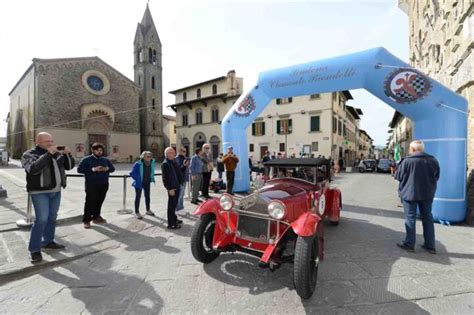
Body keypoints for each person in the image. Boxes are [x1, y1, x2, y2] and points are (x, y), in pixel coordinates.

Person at [21, 132, 75, 263]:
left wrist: (68, 154)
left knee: (52, 217)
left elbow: (69, 166)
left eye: (51, 141)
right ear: (38, 142)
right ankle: (34, 250)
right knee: (41, 219)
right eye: (47, 142)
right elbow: (33, 169)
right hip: (39, 192)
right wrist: (48, 154)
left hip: (56, 191)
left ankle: (48, 242)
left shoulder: (56, 153)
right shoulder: (29, 154)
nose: (51, 144)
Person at [396, 140, 440, 254]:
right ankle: (430, 246)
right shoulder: (433, 160)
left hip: (410, 194)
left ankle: (410, 244)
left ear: (413, 149)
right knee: (428, 218)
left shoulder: (406, 161)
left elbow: (398, 176)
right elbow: (437, 176)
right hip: (427, 194)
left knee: (410, 218)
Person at [77, 143, 115, 229]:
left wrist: (107, 169)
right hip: (91, 185)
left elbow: (112, 169)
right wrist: (93, 169)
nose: (100, 152)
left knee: (100, 201)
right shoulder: (86, 160)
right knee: (90, 202)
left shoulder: (105, 160)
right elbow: (79, 170)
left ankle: (96, 216)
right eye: (98, 150)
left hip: (104, 184)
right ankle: (86, 220)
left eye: (101, 150)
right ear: (93, 150)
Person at [161, 147, 183, 229]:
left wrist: (184, 166)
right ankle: (171, 224)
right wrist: (169, 189)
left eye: (173, 152)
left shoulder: (174, 161)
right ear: (166, 154)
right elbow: (165, 178)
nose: (171, 154)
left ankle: (174, 218)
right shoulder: (165, 164)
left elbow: (178, 172)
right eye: (169, 152)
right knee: (171, 206)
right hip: (172, 188)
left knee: (174, 205)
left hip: (177, 186)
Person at [129, 151, 155, 219]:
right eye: (148, 156)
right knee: (138, 197)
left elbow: (152, 171)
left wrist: (151, 177)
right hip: (139, 183)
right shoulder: (138, 164)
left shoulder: (152, 163)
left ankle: (148, 210)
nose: (149, 158)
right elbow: (132, 173)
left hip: (147, 182)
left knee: (147, 196)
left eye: (150, 156)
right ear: (143, 157)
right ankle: (137, 212)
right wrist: (138, 178)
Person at [175, 147, 190, 216]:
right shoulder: (177, 159)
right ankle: (178, 209)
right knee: (180, 195)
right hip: (180, 179)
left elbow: (186, 168)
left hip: (184, 179)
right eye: (183, 151)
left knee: (182, 194)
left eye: (185, 151)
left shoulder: (185, 158)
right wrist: (184, 165)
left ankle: (181, 208)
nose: (185, 152)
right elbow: (178, 170)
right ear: (180, 151)